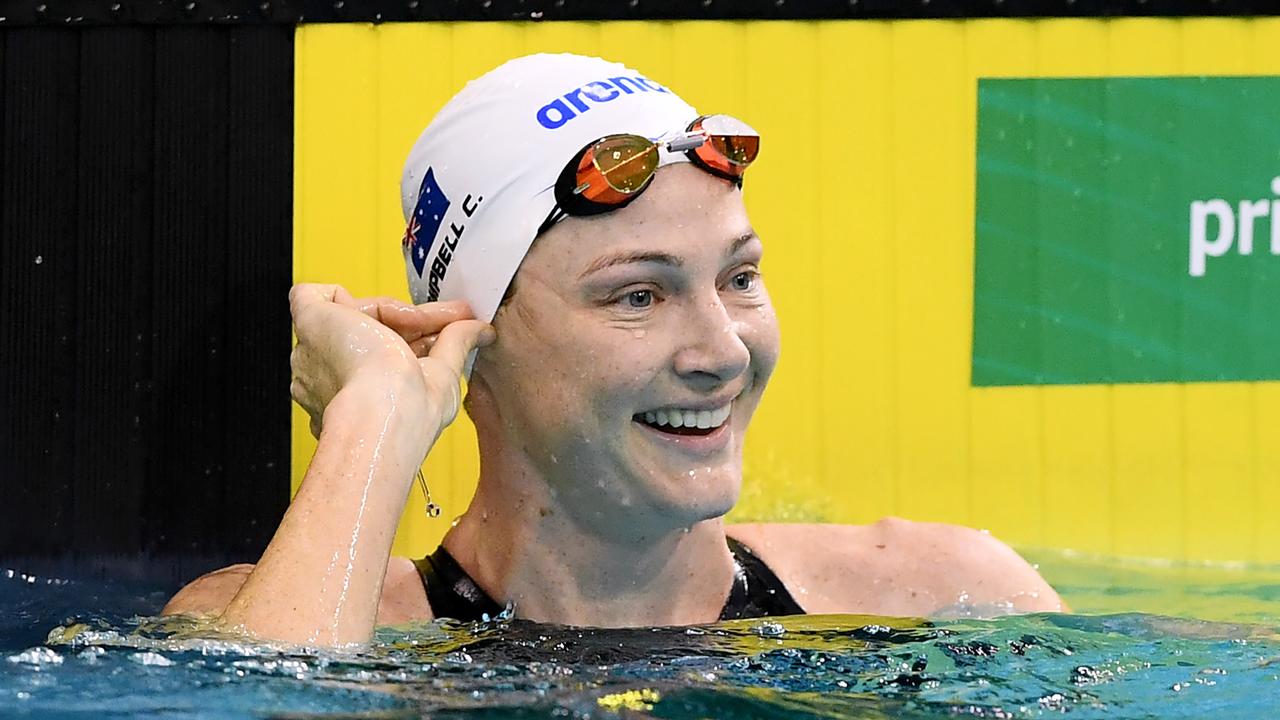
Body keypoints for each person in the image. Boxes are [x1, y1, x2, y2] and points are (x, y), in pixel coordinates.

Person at [163, 53, 1064, 647]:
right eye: (639, 294)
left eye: (739, 278)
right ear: (474, 340)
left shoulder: (939, 600)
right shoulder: (266, 622)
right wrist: (372, 425)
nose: (723, 351)